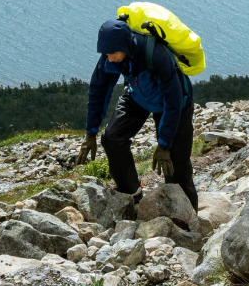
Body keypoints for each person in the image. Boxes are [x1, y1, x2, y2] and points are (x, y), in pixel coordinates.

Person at [81, 17, 198, 209]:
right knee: (112, 138)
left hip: (175, 103)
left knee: (176, 165)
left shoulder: (157, 55)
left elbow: (173, 101)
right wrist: (90, 132)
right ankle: (131, 193)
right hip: (138, 95)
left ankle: (189, 217)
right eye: (106, 54)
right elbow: (98, 91)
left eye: (113, 54)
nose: (110, 58)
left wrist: (164, 145)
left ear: (126, 47)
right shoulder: (111, 54)